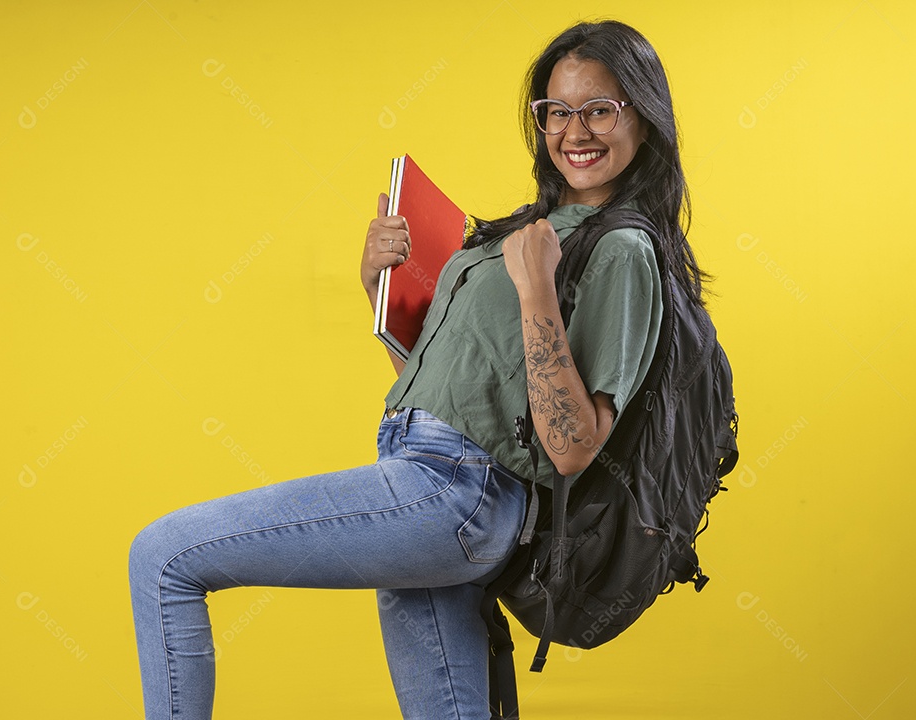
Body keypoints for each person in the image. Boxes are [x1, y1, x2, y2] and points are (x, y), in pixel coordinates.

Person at [129, 19, 706, 720]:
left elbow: (572, 446)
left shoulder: (622, 249)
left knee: (164, 558)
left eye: (599, 109)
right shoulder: (531, 229)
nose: (573, 131)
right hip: (432, 477)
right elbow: (470, 393)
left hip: (453, 495)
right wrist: (381, 292)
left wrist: (536, 294)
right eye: (556, 111)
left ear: (641, 117)